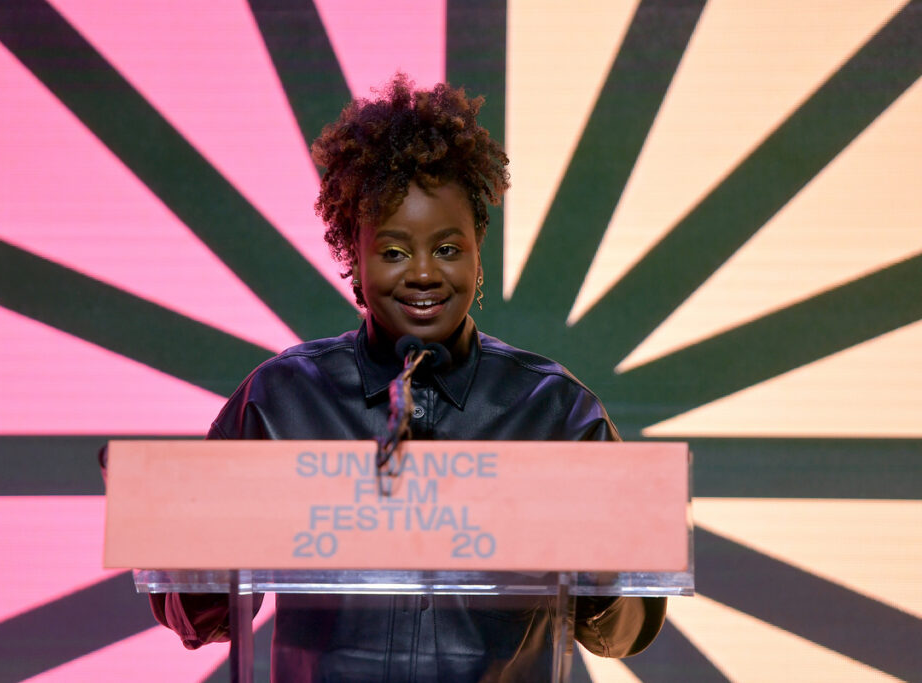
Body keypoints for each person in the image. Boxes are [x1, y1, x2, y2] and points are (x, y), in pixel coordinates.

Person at [150, 74, 667, 681]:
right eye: (394, 251)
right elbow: (196, 619)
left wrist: (599, 563)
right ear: (353, 253)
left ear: (478, 254)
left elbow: (626, 632)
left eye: (447, 249)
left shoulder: (554, 411)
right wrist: (202, 542)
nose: (423, 273)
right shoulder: (280, 401)